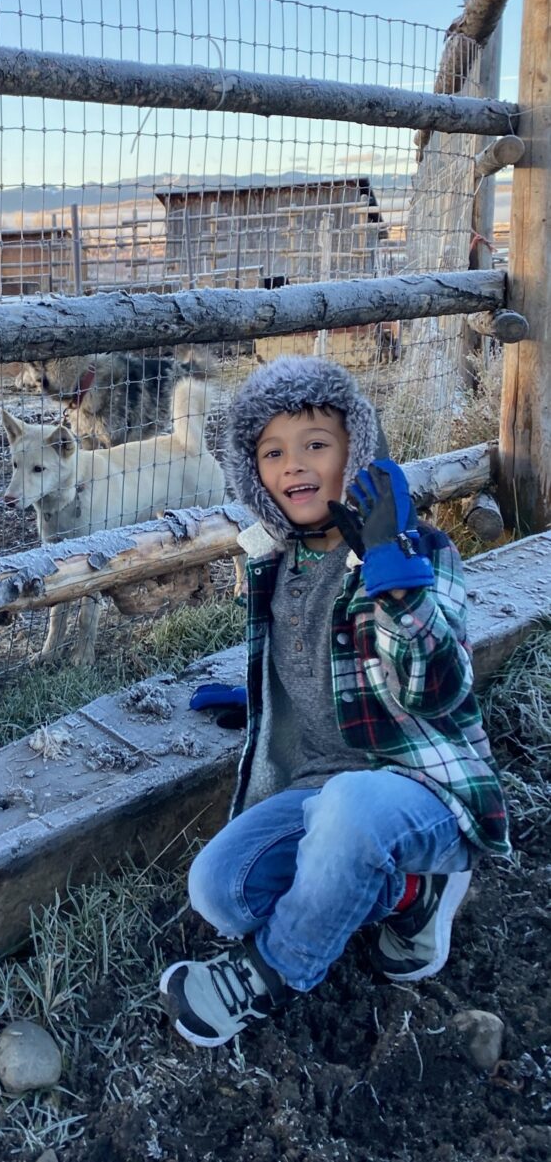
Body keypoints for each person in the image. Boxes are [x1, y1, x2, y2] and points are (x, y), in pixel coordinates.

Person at [159, 356, 510, 1048]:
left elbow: (435, 685)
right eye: (273, 451)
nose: (295, 465)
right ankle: (413, 895)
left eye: (316, 443)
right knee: (221, 890)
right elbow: (312, 660)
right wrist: (261, 698)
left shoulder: (417, 551)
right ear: (252, 473)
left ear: (356, 446)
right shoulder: (279, 563)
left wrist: (391, 570)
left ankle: (268, 974)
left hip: (421, 789)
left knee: (352, 814)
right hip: (324, 787)